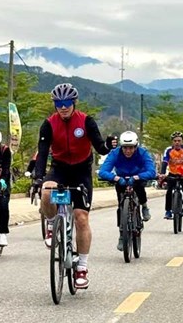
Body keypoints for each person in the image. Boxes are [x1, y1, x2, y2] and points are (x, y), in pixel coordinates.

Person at [32, 83, 114, 289]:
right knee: (46, 193)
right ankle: (52, 224)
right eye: (59, 103)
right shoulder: (48, 124)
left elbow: (100, 148)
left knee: (81, 218)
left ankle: (82, 267)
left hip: (81, 171)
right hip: (59, 168)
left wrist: (108, 145)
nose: (63, 107)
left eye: (67, 102)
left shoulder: (86, 121)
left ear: (74, 102)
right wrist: (38, 178)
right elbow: (42, 153)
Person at [98, 131, 156, 251]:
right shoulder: (115, 153)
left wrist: (138, 177)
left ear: (136, 146)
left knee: (139, 188)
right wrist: (115, 178)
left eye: (131, 148)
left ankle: (144, 206)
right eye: (125, 148)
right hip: (121, 179)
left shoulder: (143, 153)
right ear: (121, 147)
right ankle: (121, 234)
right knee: (121, 206)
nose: (128, 151)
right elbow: (103, 171)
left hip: (138, 177)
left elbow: (151, 171)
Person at [160, 131, 183, 219]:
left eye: (179, 141)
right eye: (175, 141)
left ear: (182, 141)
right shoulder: (168, 150)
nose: (177, 142)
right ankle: (168, 211)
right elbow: (165, 162)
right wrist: (162, 173)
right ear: (172, 142)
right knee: (169, 191)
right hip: (172, 173)